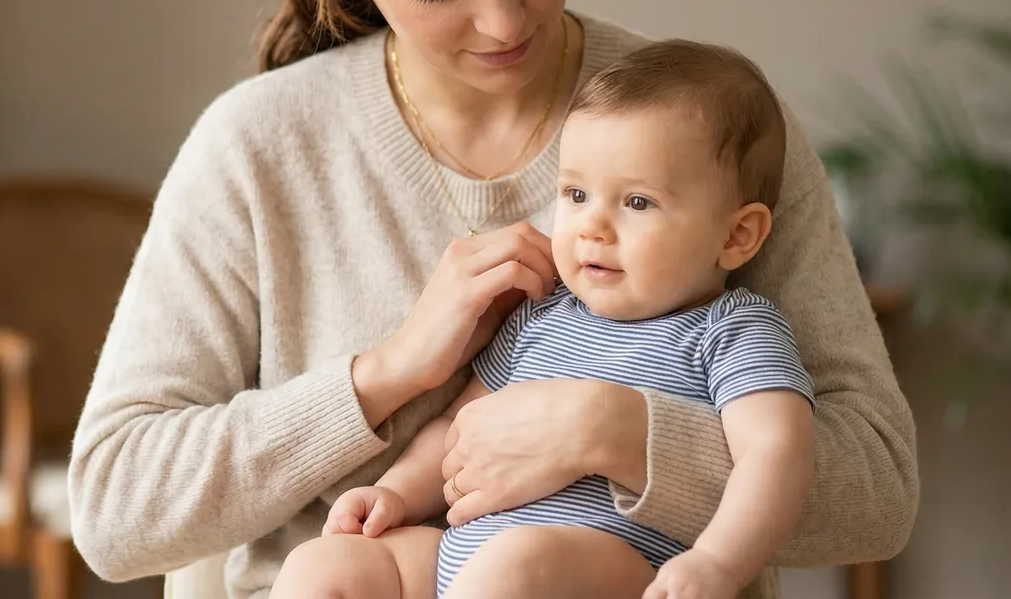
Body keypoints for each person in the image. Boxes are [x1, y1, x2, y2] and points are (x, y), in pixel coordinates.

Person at [68, 0, 917, 598]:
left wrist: (616, 432)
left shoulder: (713, 133)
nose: (505, 21)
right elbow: (116, 513)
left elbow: (880, 493)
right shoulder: (256, 149)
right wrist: (384, 376)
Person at [270, 40, 817, 599]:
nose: (591, 228)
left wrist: (718, 564)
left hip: (608, 569)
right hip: (461, 559)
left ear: (736, 235)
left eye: (637, 203)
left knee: (515, 567)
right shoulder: (543, 314)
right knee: (324, 567)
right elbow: (461, 430)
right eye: (576, 194)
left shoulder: (733, 330)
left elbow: (776, 455)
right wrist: (397, 493)